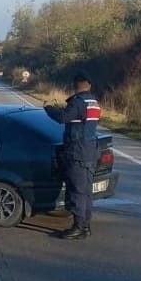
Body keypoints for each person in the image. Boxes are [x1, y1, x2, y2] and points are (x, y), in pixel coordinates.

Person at [44, 71, 101, 239]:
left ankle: (78, 227)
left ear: (75, 86)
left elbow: (62, 118)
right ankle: (85, 225)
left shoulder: (78, 102)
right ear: (89, 85)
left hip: (77, 152)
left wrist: (48, 108)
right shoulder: (94, 103)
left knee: (76, 191)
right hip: (90, 151)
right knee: (86, 192)